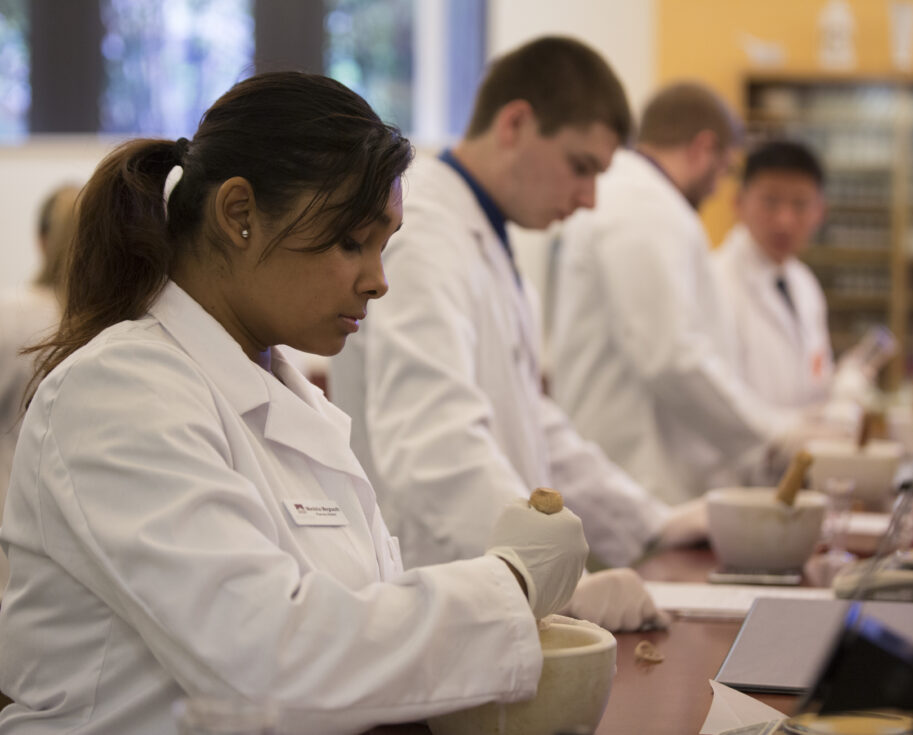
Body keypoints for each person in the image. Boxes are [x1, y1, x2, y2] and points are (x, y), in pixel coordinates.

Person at [0, 72, 589, 735]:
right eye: (351, 242)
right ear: (239, 214)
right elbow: (267, 656)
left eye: (383, 246)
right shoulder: (117, 391)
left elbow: (353, 618)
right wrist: (509, 581)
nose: (378, 280)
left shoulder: (285, 396)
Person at [331, 37, 706, 634]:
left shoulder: (487, 238)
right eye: (581, 167)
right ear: (515, 123)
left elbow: (532, 423)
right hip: (436, 597)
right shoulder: (423, 231)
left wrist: (652, 523)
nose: (587, 199)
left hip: (486, 596)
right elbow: (434, 440)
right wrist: (553, 578)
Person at [550, 82, 813, 505]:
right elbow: (671, 356)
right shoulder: (643, 206)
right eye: (724, 169)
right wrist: (774, 434)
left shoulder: (648, 202)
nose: (716, 189)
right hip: (636, 478)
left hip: (643, 475)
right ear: (703, 148)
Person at [711, 140, 833, 409]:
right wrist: (783, 433)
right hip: (742, 451)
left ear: (820, 212)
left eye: (800, 204)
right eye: (770, 202)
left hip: (800, 448)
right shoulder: (715, 281)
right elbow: (715, 402)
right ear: (738, 204)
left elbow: (818, 379)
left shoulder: (805, 284)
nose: (784, 220)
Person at [0, 184, 79, 592]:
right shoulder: (115, 324)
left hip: (10, 524)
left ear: (42, 240)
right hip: (73, 541)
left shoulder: (11, 314)